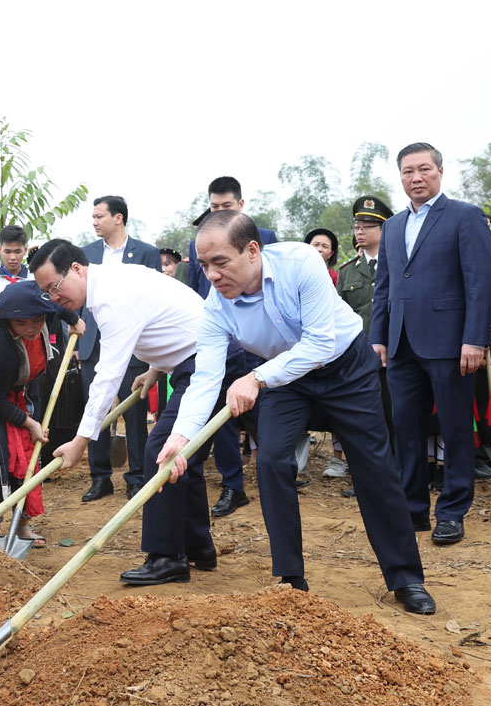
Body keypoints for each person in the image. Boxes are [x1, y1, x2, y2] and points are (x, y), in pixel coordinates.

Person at [158, 211, 435, 614]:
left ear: (252, 251)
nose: (212, 275)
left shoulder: (301, 262)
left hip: (344, 367)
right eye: (204, 265)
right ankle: (290, 579)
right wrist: (180, 438)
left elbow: (321, 343)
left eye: (221, 262)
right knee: (270, 461)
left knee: (374, 467)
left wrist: (254, 378)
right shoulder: (216, 308)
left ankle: (406, 577)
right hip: (285, 378)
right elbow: (206, 378)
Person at [31, 239, 246, 584]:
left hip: (212, 361)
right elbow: (167, 322)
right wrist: (156, 369)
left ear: (76, 269)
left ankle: (165, 556)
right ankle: (196, 547)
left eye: (54, 287)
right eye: (47, 293)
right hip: (198, 358)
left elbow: (107, 376)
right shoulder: (113, 282)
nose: (55, 298)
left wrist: (81, 440)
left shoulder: (112, 296)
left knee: (162, 451)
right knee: (182, 457)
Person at [371, 143, 491, 545]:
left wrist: (475, 339)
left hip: (450, 344)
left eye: (424, 169)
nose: (416, 178)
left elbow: (480, 284)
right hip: (402, 345)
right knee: (405, 429)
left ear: (440, 171)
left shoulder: (464, 216)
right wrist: (379, 336)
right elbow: (385, 287)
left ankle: (452, 511)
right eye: (408, 172)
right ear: (401, 177)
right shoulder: (392, 226)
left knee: (455, 428)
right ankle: (413, 511)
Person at [0, 279, 83, 544]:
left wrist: (74, 320)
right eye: (21, 323)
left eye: (36, 321)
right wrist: (28, 422)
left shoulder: (44, 319)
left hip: (17, 392)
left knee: (27, 455)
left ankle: (22, 525)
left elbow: (58, 308)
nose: (30, 328)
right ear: (8, 321)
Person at [188, 177, 278, 517]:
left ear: (240, 205)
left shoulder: (265, 238)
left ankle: (276, 474)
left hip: (260, 349)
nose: (219, 212)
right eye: (213, 207)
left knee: (265, 415)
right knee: (222, 414)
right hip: (221, 343)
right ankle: (233, 486)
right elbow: (200, 297)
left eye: (226, 206)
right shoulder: (200, 244)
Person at [78, 196, 160, 501]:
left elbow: (154, 297)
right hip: (94, 343)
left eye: (100, 216)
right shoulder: (85, 254)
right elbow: (77, 297)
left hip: (133, 344)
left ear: (119, 218)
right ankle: (100, 478)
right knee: (95, 409)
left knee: (134, 412)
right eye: (93, 217)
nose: (95, 222)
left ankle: (136, 476)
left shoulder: (146, 253)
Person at [329, 196, 395, 485]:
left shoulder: (396, 264)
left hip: (394, 356)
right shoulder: (347, 271)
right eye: (358, 225)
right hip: (357, 359)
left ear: (383, 229)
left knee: (393, 418)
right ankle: (366, 479)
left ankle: (396, 476)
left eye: (369, 225)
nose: (360, 230)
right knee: (363, 421)